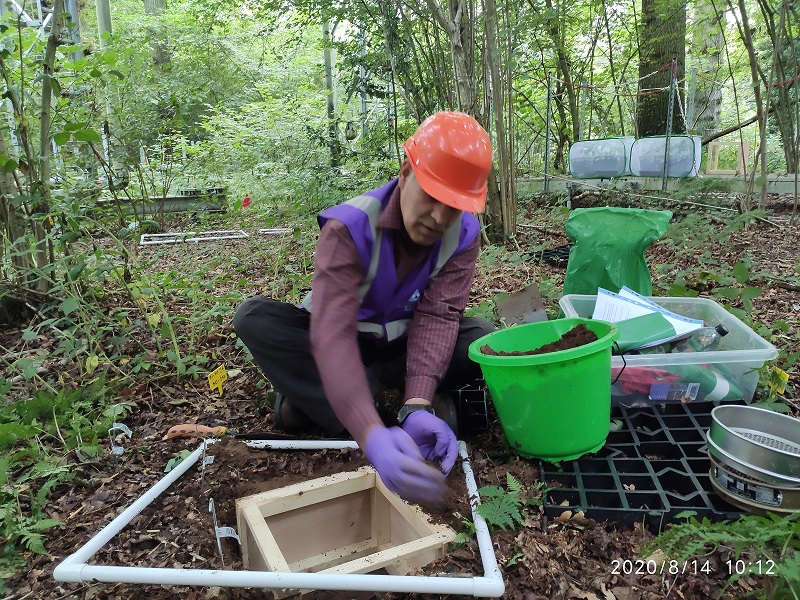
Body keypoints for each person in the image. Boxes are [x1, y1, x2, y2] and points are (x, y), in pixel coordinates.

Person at [234, 111, 495, 505]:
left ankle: (347, 406)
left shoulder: (463, 237)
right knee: (255, 318)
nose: (439, 217)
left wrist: (419, 402)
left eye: (454, 206)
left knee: (481, 338)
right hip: (342, 345)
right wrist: (372, 438)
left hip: (400, 348)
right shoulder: (349, 227)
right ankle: (372, 414)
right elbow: (331, 336)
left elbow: (440, 315)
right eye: (431, 196)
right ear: (406, 172)